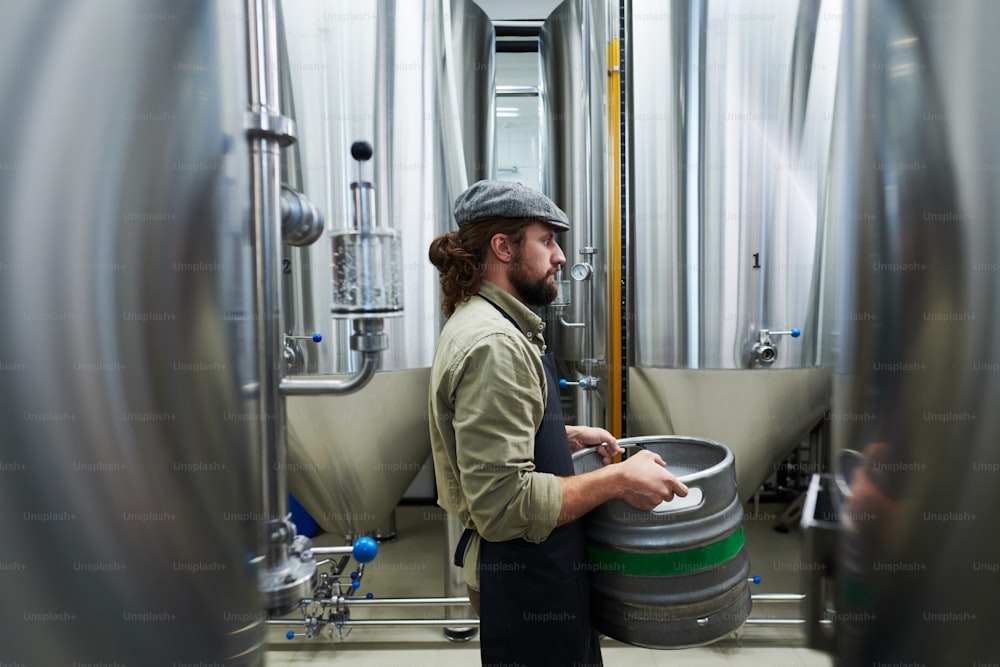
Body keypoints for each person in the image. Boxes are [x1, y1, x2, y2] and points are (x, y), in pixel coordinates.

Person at [426, 180, 690, 667]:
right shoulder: (494, 345)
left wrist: (564, 436)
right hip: (525, 582)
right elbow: (503, 507)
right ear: (502, 247)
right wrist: (619, 477)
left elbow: (489, 440)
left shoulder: (488, 322)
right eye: (546, 240)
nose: (561, 256)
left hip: (537, 570)